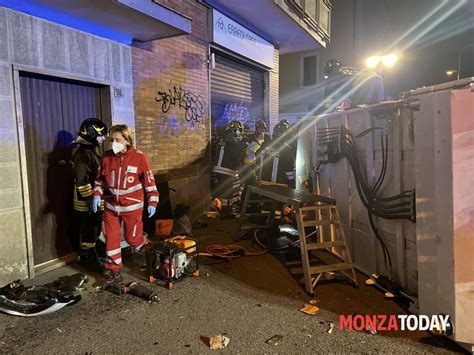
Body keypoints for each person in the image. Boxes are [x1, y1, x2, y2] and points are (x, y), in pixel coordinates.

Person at [92, 124, 159, 285]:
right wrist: (96, 194)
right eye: (112, 140)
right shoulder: (106, 157)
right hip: (111, 207)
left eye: (118, 139)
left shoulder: (139, 157)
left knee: (133, 239)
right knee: (111, 239)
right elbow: (99, 180)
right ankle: (113, 270)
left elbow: (150, 182)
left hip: (132, 207)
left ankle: (152, 252)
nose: (113, 143)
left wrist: (153, 201)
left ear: (127, 140)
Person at [71, 118, 108, 270]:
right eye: (101, 135)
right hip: (86, 201)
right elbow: (81, 180)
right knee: (89, 228)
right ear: (92, 134)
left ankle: (95, 252)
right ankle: (88, 258)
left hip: (95, 198)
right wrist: (90, 200)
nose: (104, 138)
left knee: (95, 226)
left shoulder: (91, 151)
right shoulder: (82, 155)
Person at [271, 119, 296, 187]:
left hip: (262, 186)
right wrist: (292, 184)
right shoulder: (286, 149)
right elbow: (289, 171)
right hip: (280, 186)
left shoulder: (264, 146)